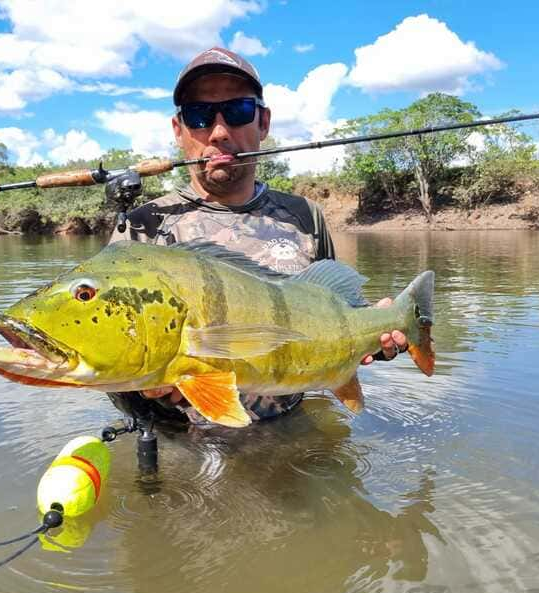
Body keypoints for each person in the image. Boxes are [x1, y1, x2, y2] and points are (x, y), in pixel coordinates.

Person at [107, 47, 406, 427]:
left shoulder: (303, 216)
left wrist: (374, 334)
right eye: (199, 116)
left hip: (289, 434)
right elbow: (111, 364)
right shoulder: (142, 227)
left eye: (238, 112)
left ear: (263, 122)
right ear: (178, 131)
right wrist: (150, 394)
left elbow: (336, 309)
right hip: (185, 442)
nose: (218, 132)